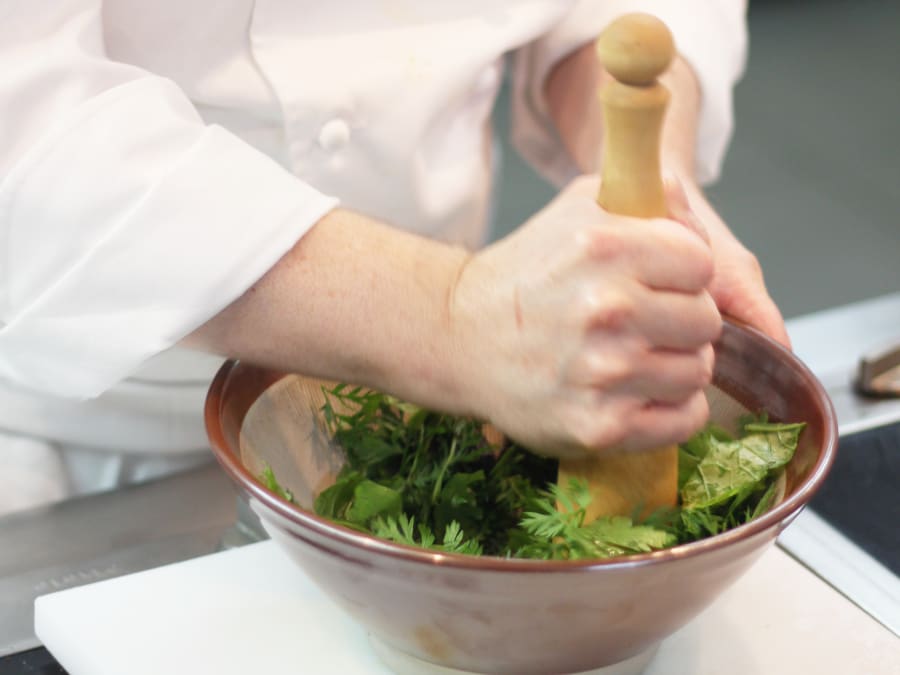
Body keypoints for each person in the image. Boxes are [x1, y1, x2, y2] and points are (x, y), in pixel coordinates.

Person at [0, 0, 786, 515]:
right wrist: (451, 317)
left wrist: (646, 190)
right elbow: (26, 126)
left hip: (474, 404)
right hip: (83, 438)